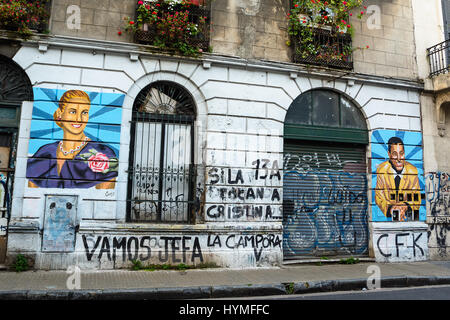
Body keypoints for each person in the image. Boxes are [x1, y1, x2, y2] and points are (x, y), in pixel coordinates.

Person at [26, 90, 118, 189]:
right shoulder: (45, 152)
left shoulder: (103, 154)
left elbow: (105, 198)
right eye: (72, 112)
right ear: (60, 114)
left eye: (84, 112)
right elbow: (31, 196)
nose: (78, 119)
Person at [375, 137, 421, 221]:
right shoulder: (381, 170)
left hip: (408, 218)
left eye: (401, 153)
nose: (399, 158)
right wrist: (391, 208)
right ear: (389, 154)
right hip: (388, 219)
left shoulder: (412, 171)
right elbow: (379, 197)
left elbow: (416, 197)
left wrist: (406, 206)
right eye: (395, 154)